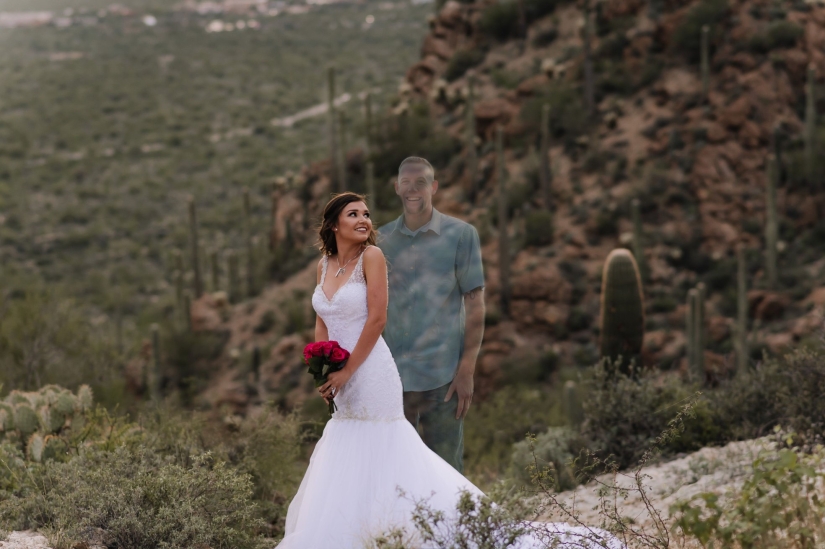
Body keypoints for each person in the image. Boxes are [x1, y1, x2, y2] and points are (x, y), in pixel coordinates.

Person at [275, 191, 624, 549]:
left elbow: (378, 318)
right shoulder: (324, 265)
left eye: (366, 214)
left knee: (381, 447)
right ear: (334, 224)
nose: (364, 220)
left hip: (370, 373)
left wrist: (347, 371)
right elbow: (323, 321)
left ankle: (407, 532)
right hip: (340, 377)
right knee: (347, 447)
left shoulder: (372, 257)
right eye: (353, 214)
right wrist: (323, 369)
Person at [377, 156, 483, 473]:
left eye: (420, 182)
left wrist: (467, 368)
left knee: (448, 472)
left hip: (443, 378)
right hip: (393, 379)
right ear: (397, 188)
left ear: (433, 187)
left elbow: (475, 304)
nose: (413, 189)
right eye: (406, 183)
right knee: (397, 473)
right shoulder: (378, 242)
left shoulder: (462, 235)